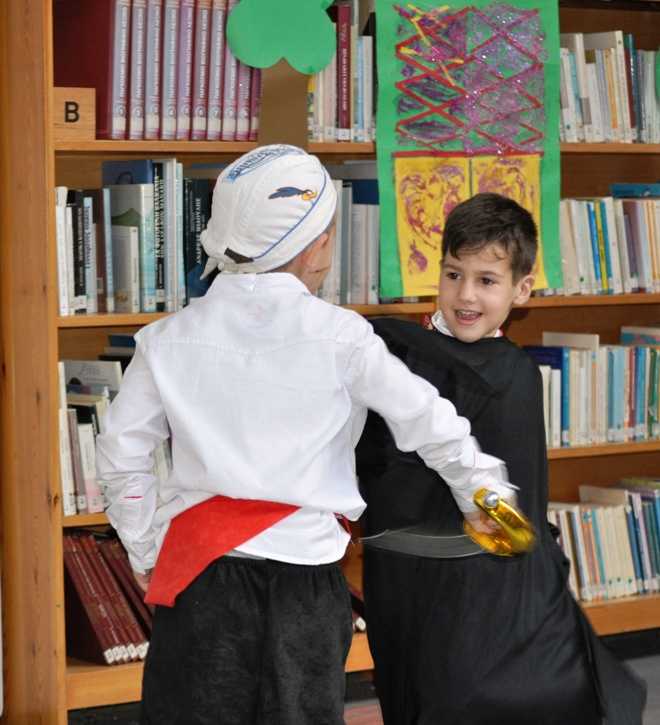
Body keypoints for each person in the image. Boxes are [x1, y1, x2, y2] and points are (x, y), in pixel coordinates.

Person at [95, 146, 516, 725]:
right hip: (305, 587)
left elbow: (121, 453)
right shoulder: (345, 338)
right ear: (319, 245)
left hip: (200, 576)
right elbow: (429, 420)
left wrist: (145, 548)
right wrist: (482, 495)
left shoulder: (165, 339)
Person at [356, 192, 647, 725]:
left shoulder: (514, 376)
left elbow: (522, 493)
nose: (466, 295)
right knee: (408, 696)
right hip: (399, 580)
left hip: (480, 591)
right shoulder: (389, 352)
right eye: (453, 275)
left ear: (522, 289)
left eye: (487, 280)